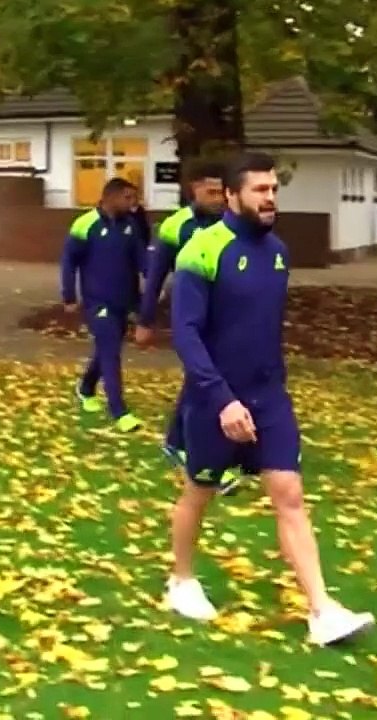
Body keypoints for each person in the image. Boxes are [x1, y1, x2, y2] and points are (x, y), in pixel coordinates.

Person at [163, 152, 374, 645]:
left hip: (269, 397)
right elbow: (186, 334)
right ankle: (182, 579)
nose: (270, 198)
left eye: (274, 189)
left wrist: (265, 390)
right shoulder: (201, 249)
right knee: (200, 490)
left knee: (291, 496)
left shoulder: (278, 251)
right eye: (260, 190)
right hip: (215, 400)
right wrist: (221, 400)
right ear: (232, 196)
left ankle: (322, 611)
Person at [133, 161, 238, 492]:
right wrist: (145, 320)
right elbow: (155, 278)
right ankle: (204, 459)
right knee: (205, 380)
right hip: (191, 316)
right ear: (193, 189)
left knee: (203, 380)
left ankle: (176, 441)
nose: (218, 198)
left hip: (226, 315)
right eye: (211, 191)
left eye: (222, 191)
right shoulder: (175, 227)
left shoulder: (231, 222)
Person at [60, 178, 145, 432]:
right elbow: (68, 262)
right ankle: (119, 411)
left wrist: (150, 291)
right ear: (111, 197)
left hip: (124, 300)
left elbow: (142, 261)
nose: (134, 203)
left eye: (135, 198)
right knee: (110, 350)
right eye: (128, 198)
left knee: (107, 348)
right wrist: (69, 297)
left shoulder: (130, 226)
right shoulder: (85, 224)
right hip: (97, 301)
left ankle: (86, 388)